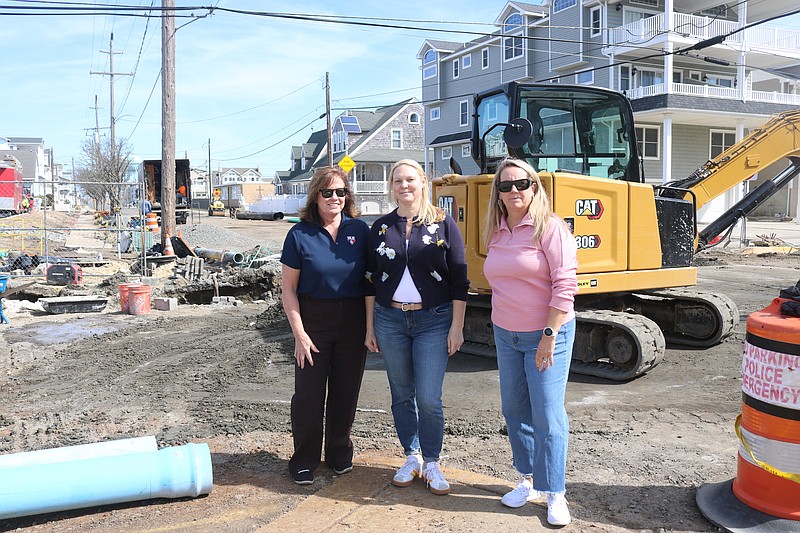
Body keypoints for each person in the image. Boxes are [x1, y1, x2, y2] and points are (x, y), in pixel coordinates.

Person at [482, 158, 578, 526]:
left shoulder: (550, 228)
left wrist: (548, 336)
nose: (514, 191)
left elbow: (565, 285)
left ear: (534, 187)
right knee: (515, 410)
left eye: (521, 184)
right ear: (498, 194)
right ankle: (528, 480)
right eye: (505, 186)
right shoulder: (496, 229)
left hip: (547, 333)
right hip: (506, 334)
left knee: (548, 415)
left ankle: (555, 492)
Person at [365, 159, 469, 496]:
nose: (404, 186)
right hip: (390, 320)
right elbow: (369, 280)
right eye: (398, 181)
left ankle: (433, 461)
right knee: (400, 393)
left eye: (410, 179)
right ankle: (411, 456)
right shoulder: (380, 227)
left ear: (423, 182)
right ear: (391, 186)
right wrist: (370, 327)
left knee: (428, 396)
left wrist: (457, 327)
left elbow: (459, 280)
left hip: (434, 321)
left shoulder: (443, 224)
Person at [280, 167, 371, 486]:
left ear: (348, 196)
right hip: (313, 321)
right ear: (315, 196)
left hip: (353, 321)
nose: (335, 198)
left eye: (341, 192)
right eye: (328, 192)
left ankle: (338, 453)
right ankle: (304, 460)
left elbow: (372, 280)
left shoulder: (360, 230)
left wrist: (371, 325)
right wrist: (299, 334)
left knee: (346, 393)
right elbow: (288, 289)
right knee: (308, 395)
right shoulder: (299, 234)